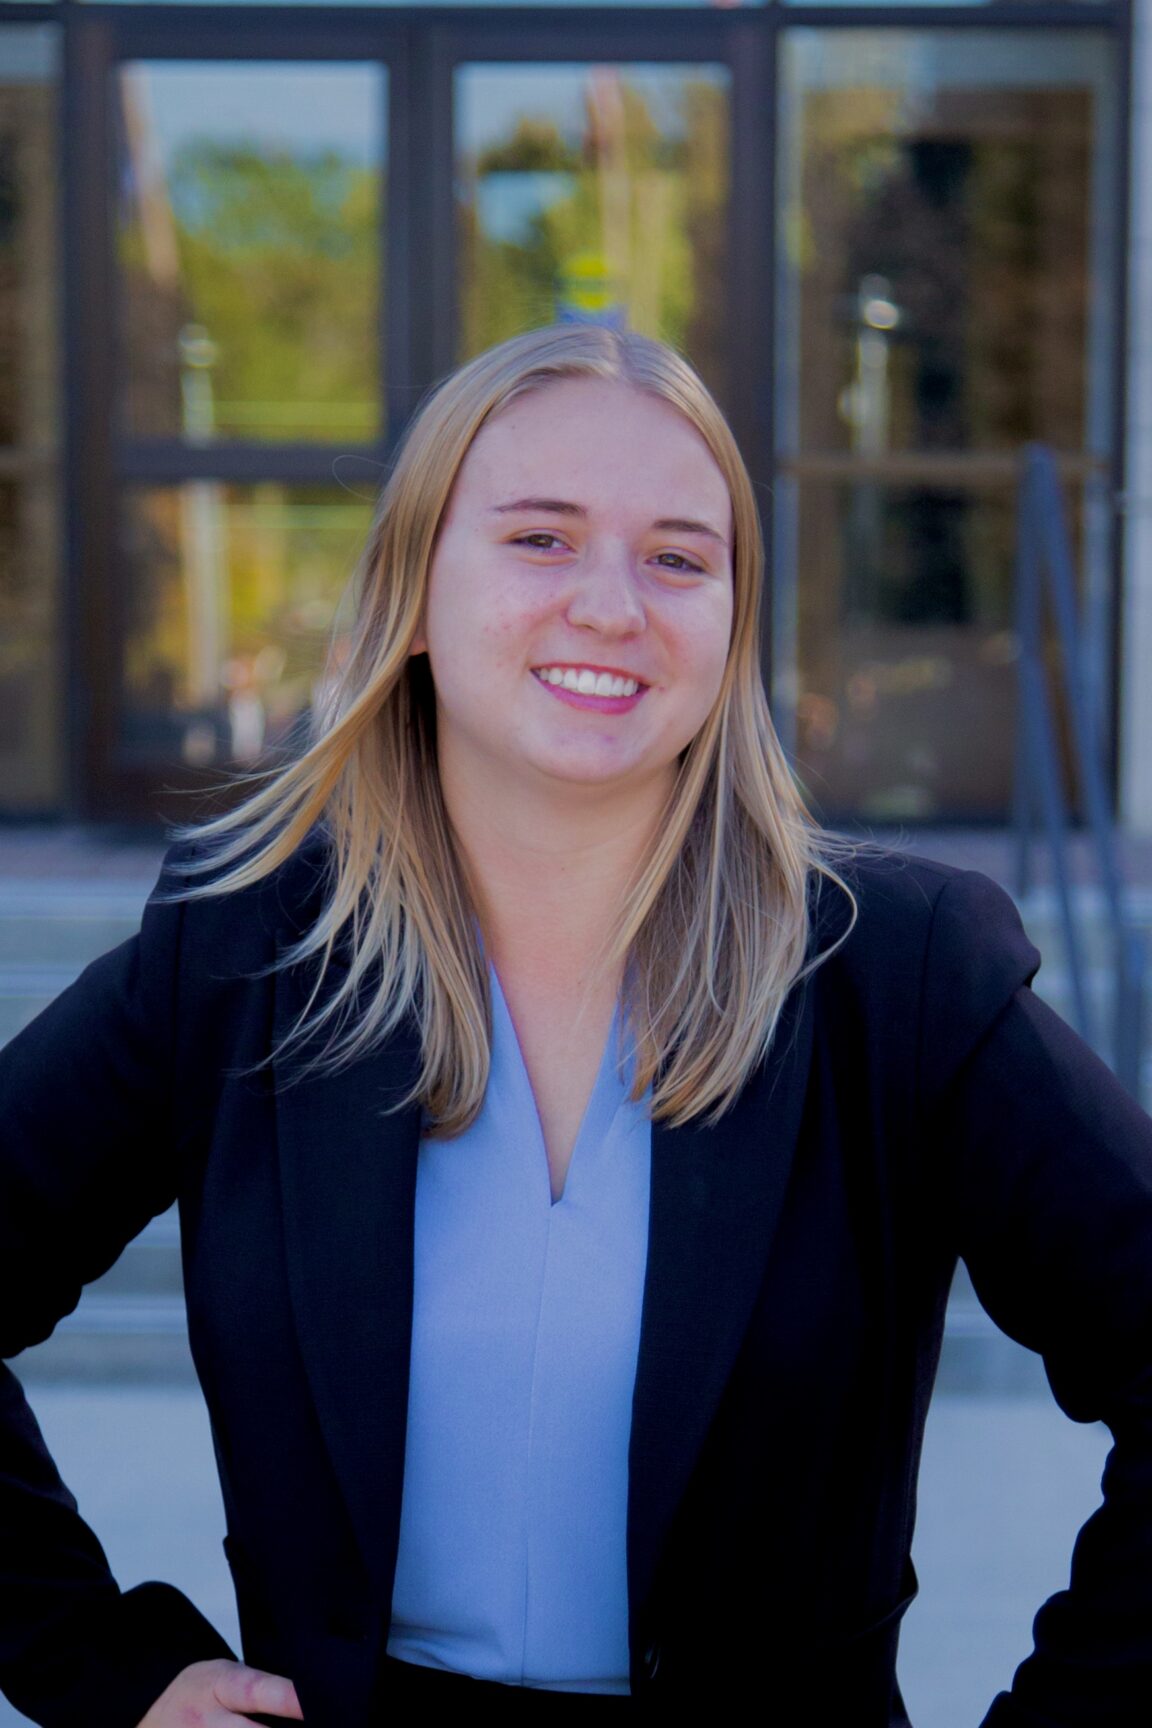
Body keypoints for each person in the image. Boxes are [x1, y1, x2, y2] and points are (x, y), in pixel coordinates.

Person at [2, 323, 1152, 1728]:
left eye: (679, 556)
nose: (614, 604)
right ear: (415, 593)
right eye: (541, 538)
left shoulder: (892, 976)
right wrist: (99, 1669)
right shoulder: (245, 950)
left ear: (731, 624)